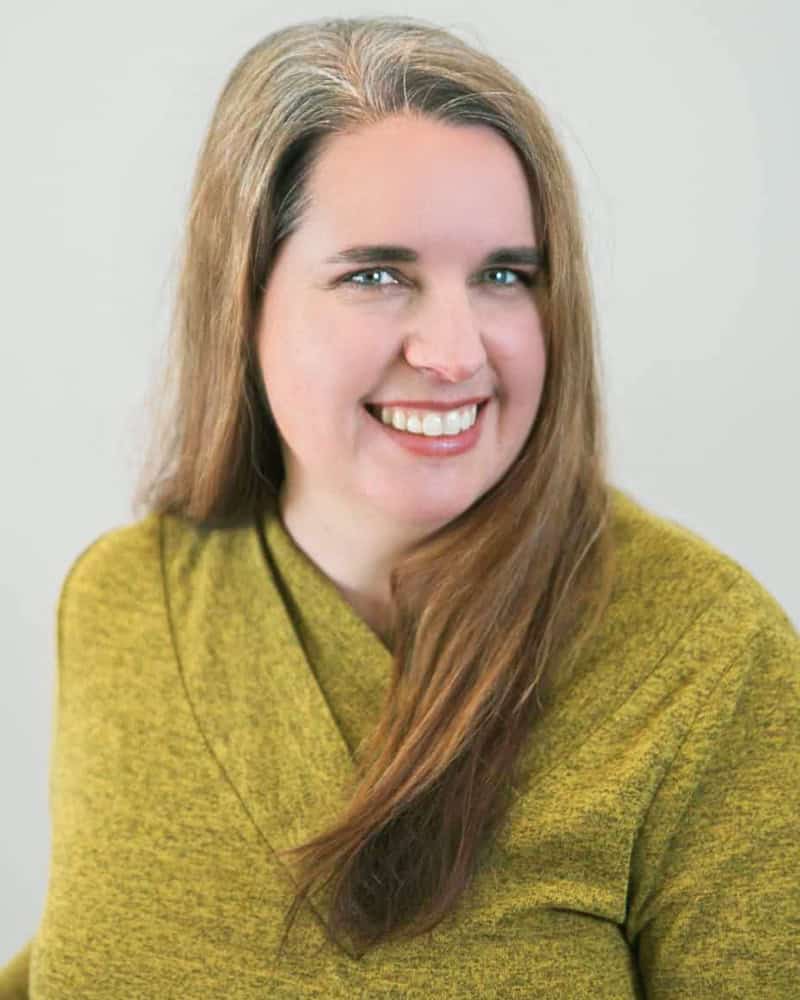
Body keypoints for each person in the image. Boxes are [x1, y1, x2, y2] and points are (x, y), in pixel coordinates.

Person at [2, 14, 798, 999]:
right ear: (241, 299)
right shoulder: (121, 599)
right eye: (377, 274)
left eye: (505, 276)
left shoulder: (705, 660)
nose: (456, 350)